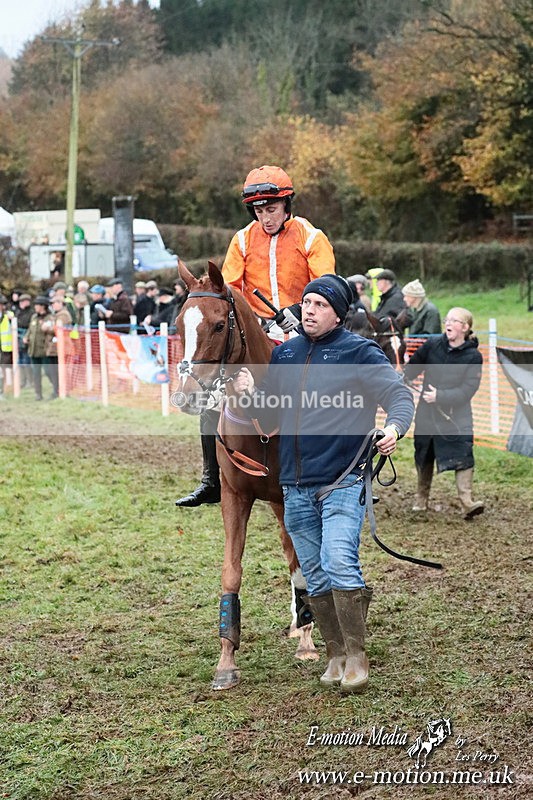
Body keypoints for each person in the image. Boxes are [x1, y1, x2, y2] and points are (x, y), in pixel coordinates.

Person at [233, 274, 414, 691]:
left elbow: (398, 396)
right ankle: (335, 653)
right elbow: (270, 414)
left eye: (320, 305)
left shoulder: (359, 352)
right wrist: (249, 393)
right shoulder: (286, 355)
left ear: (338, 314)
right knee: (314, 574)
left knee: (338, 561)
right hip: (294, 486)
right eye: (307, 303)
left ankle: (357, 656)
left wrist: (394, 427)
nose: (310, 310)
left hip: (343, 481)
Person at [176, 164, 336, 508]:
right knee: (213, 395)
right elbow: (229, 290)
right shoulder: (243, 239)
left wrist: (299, 310)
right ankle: (211, 479)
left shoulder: (311, 237)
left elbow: (326, 285)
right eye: (260, 211)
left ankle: (345, 472)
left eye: (272, 209)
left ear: (286, 205)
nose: (266, 217)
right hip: (255, 330)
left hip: (306, 326)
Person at [403, 307, 484, 518]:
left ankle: (467, 502)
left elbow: (468, 389)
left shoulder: (473, 356)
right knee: (424, 453)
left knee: (463, 454)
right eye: (447, 320)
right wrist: (403, 376)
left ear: (465, 327)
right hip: (427, 414)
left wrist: (440, 396)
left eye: (454, 320)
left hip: (457, 416)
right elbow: (413, 367)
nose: (448, 323)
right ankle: (421, 499)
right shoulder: (432, 345)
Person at [42, 294, 72, 399]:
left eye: (54, 303)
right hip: (54, 348)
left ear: (60, 303)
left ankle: (60, 391)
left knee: (59, 371)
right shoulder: (56, 315)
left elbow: (58, 329)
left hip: (61, 348)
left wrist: (48, 327)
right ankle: (57, 390)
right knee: (52, 371)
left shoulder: (64, 315)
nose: (52, 305)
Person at [24, 296, 54, 400]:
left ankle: (56, 389)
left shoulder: (49, 318)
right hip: (34, 350)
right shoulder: (34, 317)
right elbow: (30, 330)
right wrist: (26, 337)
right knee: (36, 373)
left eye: (37, 305)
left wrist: (48, 328)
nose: (35, 307)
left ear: (43, 306)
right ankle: (38, 394)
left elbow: (53, 331)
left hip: (45, 350)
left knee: (48, 372)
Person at [15, 293, 34, 388]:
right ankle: (22, 381)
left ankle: (30, 381)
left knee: (27, 361)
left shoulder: (31, 313)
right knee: (20, 361)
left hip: (26, 338)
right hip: (18, 339)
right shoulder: (18, 312)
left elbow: (26, 324)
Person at [0, 294, 14, 399]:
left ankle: (4, 390)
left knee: (5, 370)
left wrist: (11, 319)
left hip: (5, 349)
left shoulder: (9, 316)